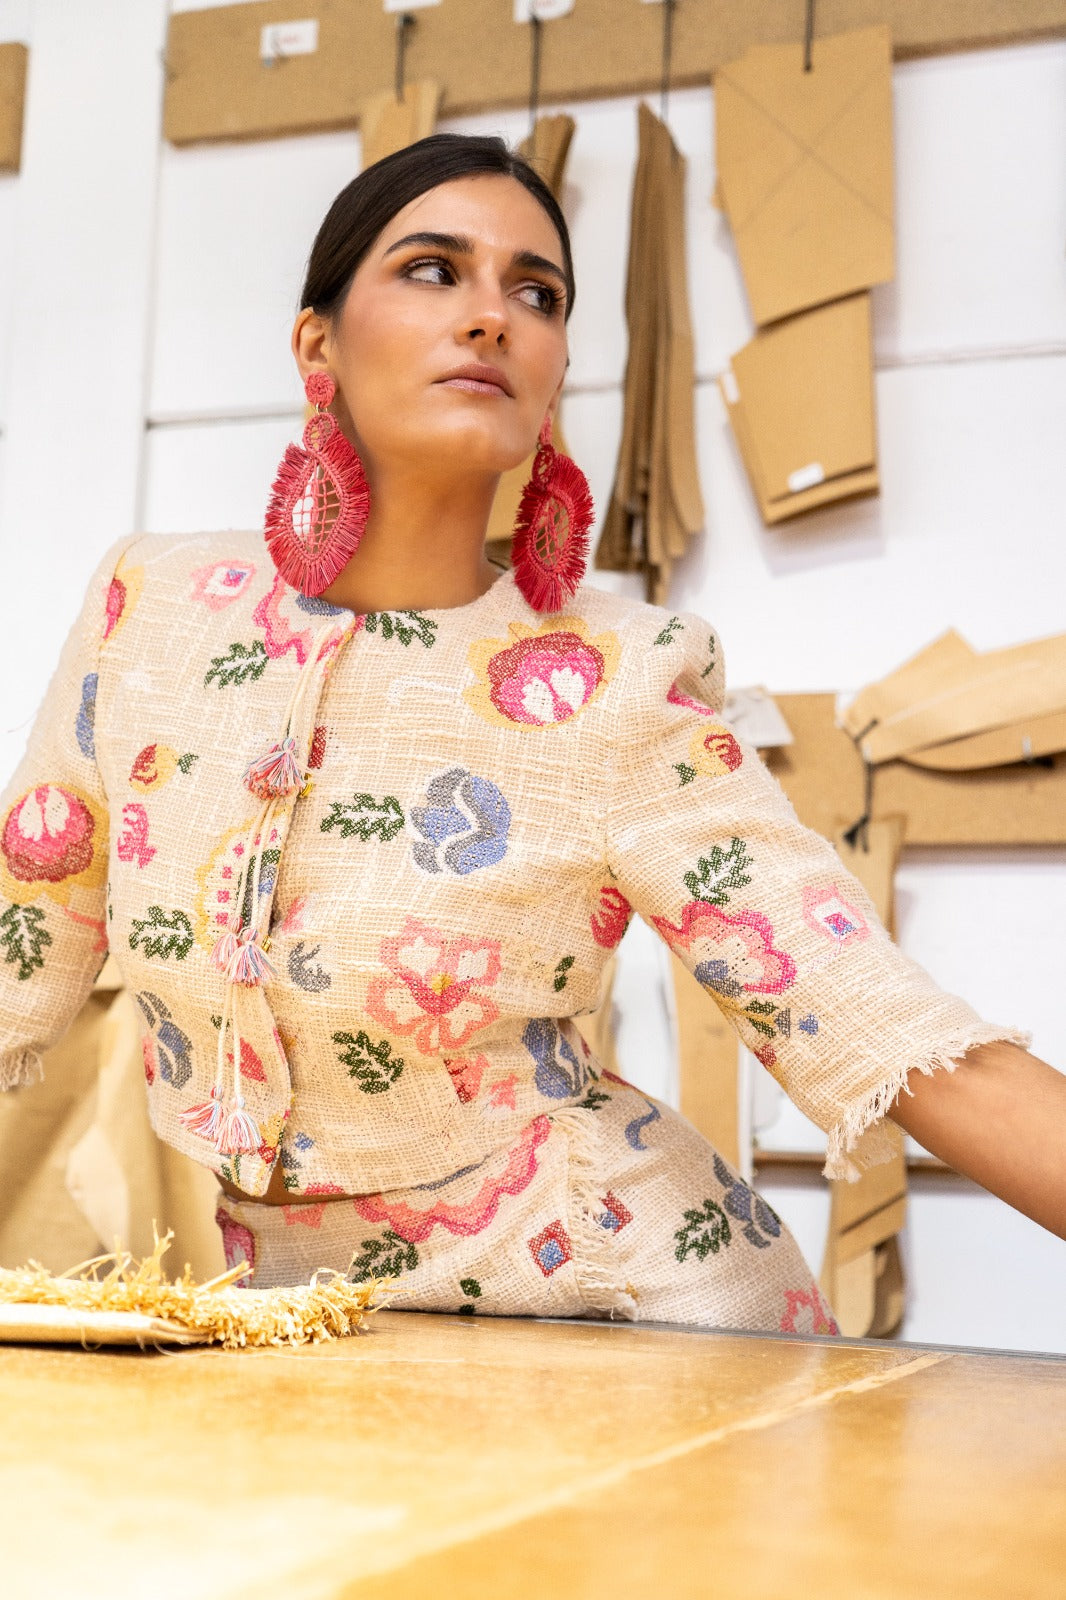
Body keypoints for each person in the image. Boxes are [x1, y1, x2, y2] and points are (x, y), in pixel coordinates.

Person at [0, 135, 1061, 1334]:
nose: (491, 316)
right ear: (316, 344)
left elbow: (879, 1024)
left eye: (537, 292)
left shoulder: (612, 680)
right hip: (321, 1327)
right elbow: (16, 964)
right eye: (433, 269)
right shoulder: (148, 611)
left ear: (555, 369)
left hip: (627, 1305)